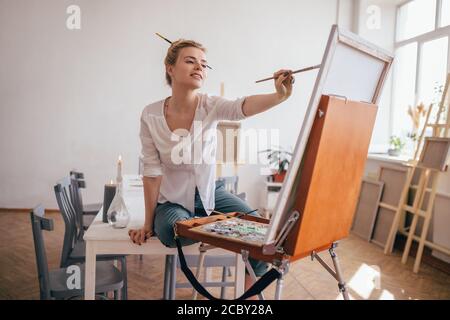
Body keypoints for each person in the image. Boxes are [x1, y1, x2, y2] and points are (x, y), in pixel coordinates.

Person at [129, 39, 295, 294]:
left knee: (263, 232)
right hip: (171, 201)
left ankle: (246, 298)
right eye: (190, 61)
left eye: (204, 64)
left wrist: (279, 96)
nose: (199, 67)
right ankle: (216, 226)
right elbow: (151, 172)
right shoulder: (150, 114)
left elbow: (242, 106)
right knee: (171, 232)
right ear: (170, 68)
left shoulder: (211, 105)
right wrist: (147, 224)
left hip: (209, 194)